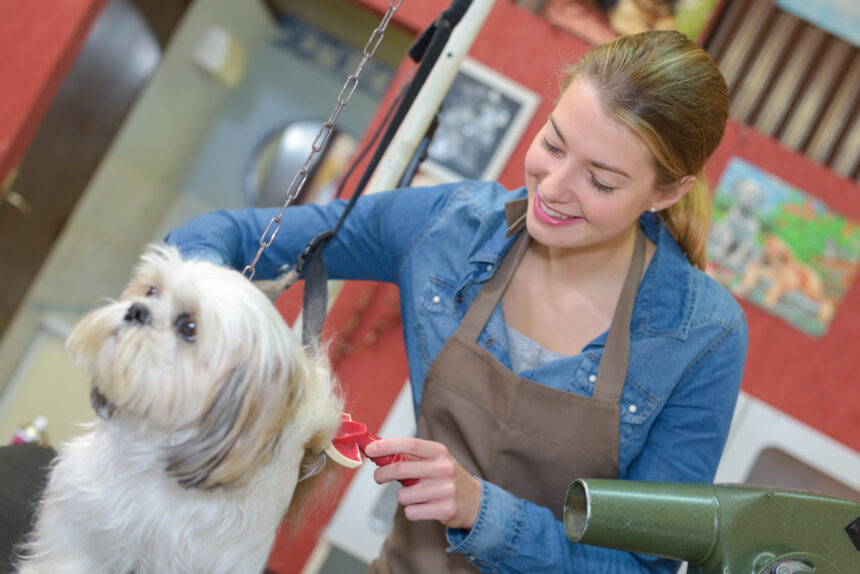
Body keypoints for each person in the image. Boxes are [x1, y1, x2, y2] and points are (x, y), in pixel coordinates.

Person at [165, 30, 747, 573]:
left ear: (666, 192)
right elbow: (229, 237)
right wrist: (225, 347)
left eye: (600, 181)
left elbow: (644, 566)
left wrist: (482, 512)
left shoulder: (703, 336)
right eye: (553, 143)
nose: (551, 187)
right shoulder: (449, 228)